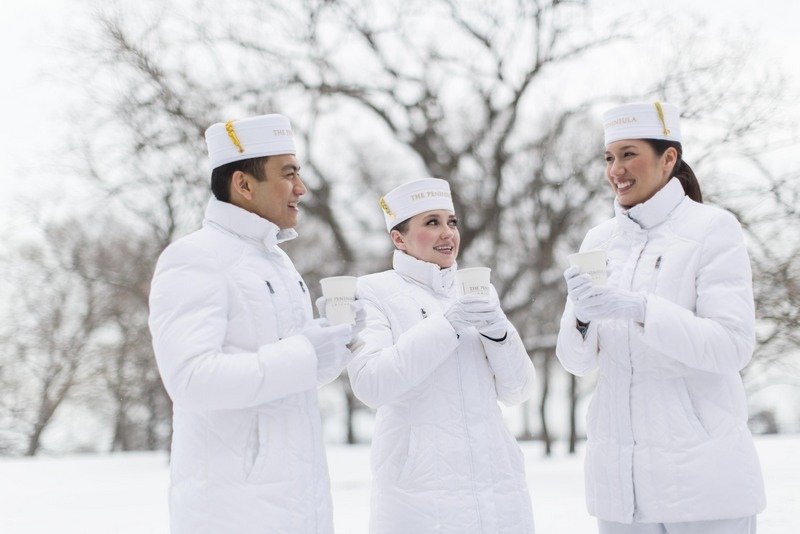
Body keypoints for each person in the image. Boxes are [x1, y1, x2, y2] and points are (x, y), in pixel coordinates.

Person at [556, 102, 766, 534]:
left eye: (630, 153)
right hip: (621, 490)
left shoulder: (713, 229)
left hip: (704, 484)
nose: (617, 169)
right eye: (609, 157)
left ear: (668, 158)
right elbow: (576, 362)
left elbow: (732, 346)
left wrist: (640, 309)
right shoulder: (600, 239)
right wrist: (581, 316)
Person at [148, 113, 355, 534]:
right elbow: (190, 378)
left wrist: (334, 344)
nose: (301, 188)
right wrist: (304, 352)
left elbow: (291, 376)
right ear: (243, 184)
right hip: (232, 511)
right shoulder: (195, 257)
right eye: (289, 174)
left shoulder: (277, 262)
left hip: (300, 504)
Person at [348, 178, 537, 533]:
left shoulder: (477, 290)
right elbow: (372, 383)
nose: (447, 233)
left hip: (497, 491)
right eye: (431, 222)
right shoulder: (372, 291)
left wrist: (499, 332)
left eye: (451, 222)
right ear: (398, 238)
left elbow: (518, 391)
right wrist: (446, 324)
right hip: (420, 497)